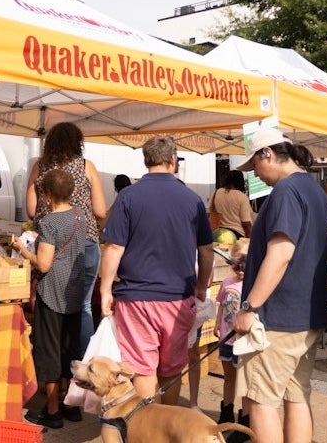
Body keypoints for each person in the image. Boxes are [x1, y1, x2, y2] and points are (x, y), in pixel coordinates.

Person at [232, 128, 327, 443]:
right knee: (297, 396)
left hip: (277, 317)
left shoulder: (286, 191)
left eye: (255, 167)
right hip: (306, 313)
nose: (256, 175)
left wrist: (250, 306)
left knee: (261, 401)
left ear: (268, 154)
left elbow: (281, 255)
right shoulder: (313, 189)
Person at [100, 135, 214, 404]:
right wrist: (201, 286)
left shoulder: (128, 196)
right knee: (172, 370)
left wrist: (105, 289)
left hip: (136, 298)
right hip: (177, 299)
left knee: (142, 369)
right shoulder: (192, 199)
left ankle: (145, 429)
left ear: (145, 160)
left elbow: (113, 248)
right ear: (173, 160)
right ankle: (164, 427)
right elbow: (206, 250)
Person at [13, 169, 86, 429]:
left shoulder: (49, 223)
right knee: (70, 347)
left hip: (53, 291)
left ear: (47, 194)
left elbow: (43, 265)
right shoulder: (79, 215)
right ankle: (71, 404)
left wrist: (22, 249)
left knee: (49, 350)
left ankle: (53, 410)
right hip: (74, 290)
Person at [26, 122, 106, 355]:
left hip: (49, 246)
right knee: (83, 307)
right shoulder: (85, 166)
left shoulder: (40, 167)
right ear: (77, 143)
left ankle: (54, 367)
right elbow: (100, 211)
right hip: (85, 243)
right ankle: (82, 367)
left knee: (50, 306)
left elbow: (31, 211)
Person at [214, 239, 249, 427]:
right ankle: (226, 413)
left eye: (245, 265)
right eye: (236, 266)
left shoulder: (252, 285)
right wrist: (217, 324)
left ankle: (245, 419)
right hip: (226, 339)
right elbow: (221, 303)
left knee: (243, 381)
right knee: (229, 377)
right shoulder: (227, 282)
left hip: (243, 342)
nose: (241, 270)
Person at [208, 170, 253, 238]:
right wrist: (251, 237)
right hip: (237, 235)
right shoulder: (241, 196)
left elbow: (210, 213)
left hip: (218, 234)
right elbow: (245, 222)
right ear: (240, 181)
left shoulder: (216, 193)